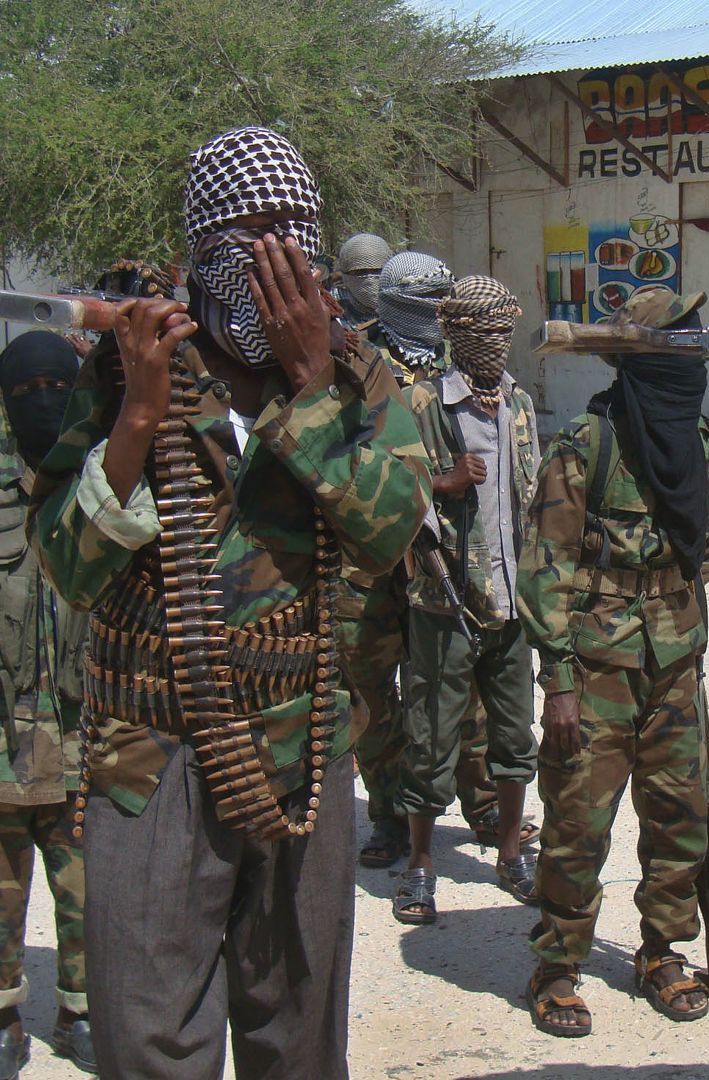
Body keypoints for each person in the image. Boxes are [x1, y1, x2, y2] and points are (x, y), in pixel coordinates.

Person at [28, 126, 431, 1079]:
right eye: (251, 230)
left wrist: (310, 384)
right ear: (203, 238)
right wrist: (137, 412)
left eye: (297, 229)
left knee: (297, 1032)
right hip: (152, 752)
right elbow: (68, 571)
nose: (277, 254)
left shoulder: (365, 377)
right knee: (149, 1038)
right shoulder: (131, 364)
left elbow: (386, 534)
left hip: (305, 755)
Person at [516, 289, 709, 1037]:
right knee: (578, 818)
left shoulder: (689, 439)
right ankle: (558, 963)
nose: (694, 358)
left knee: (679, 817)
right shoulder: (583, 444)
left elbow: (706, 551)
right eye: (681, 344)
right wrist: (559, 685)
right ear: (646, 360)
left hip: (674, 660)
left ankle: (663, 952)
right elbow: (543, 571)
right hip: (596, 666)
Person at [346, 252, 533, 868]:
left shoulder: (486, 387)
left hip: (460, 565)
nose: (432, 317)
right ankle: (389, 814)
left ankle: (481, 803)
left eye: (440, 303)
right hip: (377, 559)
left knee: (469, 687)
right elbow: (349, 464)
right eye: (419, 305)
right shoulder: (359, 362)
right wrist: (433, 486)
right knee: (378, 691)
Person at [393, 274, 540, 923]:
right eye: (483, 331)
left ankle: (510, 854)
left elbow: (530, 498)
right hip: (444, 600)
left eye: (504, 329)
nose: (495, 343)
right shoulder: (422, 401)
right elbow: (390, 492)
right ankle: (420, 864)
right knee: (430, 736)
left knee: (514, 735)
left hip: (511, 601)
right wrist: (443, 483)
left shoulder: (520, 404)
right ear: (454, 333)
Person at [0, 333, 94, 1077]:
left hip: (80, 734)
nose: (42, 401)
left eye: (54, 387)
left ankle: (80, 1011)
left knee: (87, 891)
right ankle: (4, 1015)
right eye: (24, 389)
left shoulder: (95, 480)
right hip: (4, 737)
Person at [333, 232, 393, 327]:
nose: (369, 279)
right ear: (346, 275)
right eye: (360, 272)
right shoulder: (333, 307)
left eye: (377, 270)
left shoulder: (401, 304)